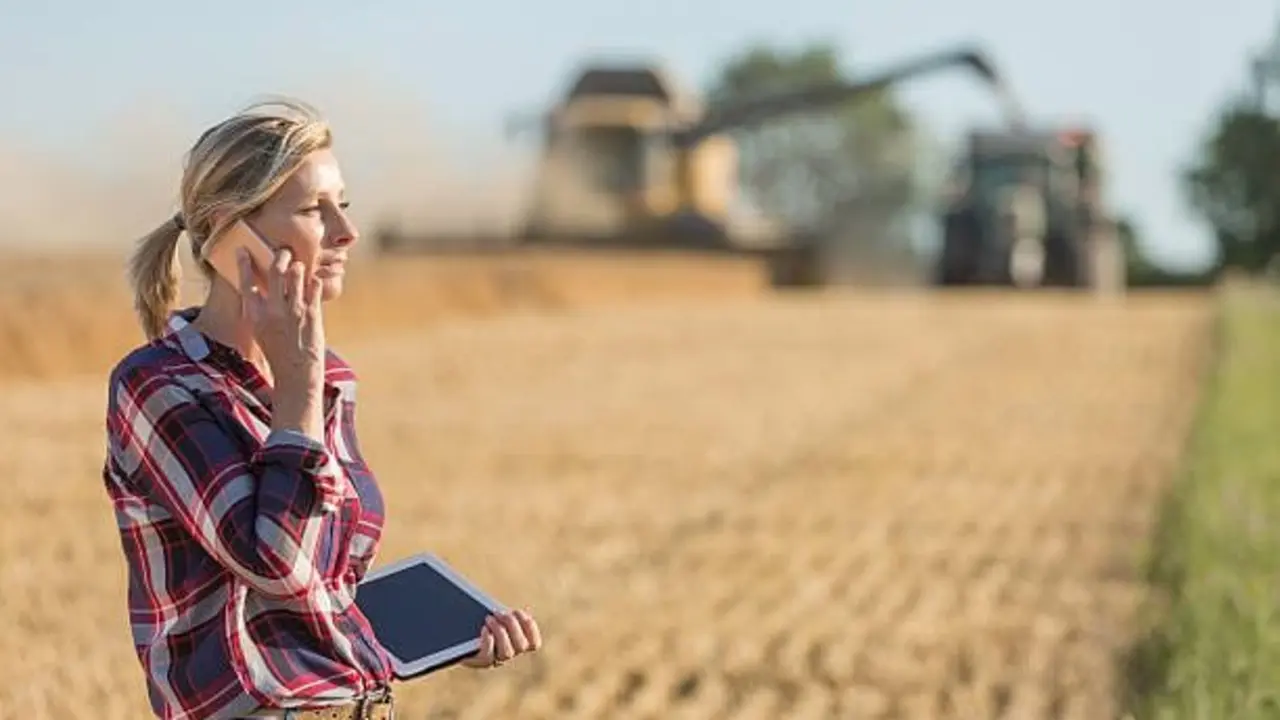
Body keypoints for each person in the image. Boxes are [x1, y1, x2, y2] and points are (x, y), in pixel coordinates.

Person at [100, 98, 541, 720]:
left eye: (345, 206)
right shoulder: (159, 387)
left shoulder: (331, 377)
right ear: (233, 233)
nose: (346, 232)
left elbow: (324, 584)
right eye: (314, 209)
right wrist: (299, 383)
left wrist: (435, 638)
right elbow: (278, 565)